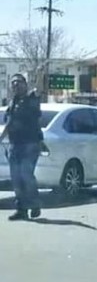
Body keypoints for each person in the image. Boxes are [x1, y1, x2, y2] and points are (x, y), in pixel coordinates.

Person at [0, 74, 43, 221]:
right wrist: (1, 138)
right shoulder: (13, 103)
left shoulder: (32, 98)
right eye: (13, 83)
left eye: (18, 82)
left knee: (26, 174)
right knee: (16, 178)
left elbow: (39, 88)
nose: (15, 85)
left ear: (25, 84)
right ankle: (21, 209)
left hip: (30, 144)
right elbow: (9, 124)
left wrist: (40, 74)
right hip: (15, 145)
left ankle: (35, 204)